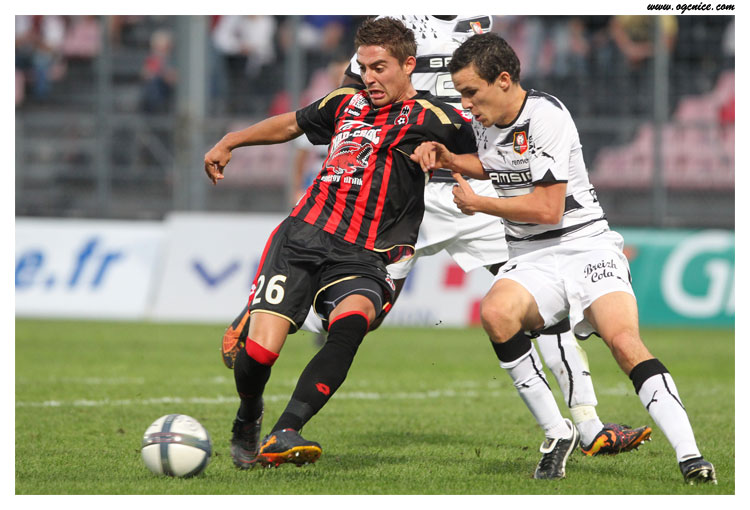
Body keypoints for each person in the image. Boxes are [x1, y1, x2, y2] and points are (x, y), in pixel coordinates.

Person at [222, 14, 652, 460]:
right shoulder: (393, 22)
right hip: (405, 192)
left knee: (540, 292)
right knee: (363, 313)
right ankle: (265, 311)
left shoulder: (483, 21)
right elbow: (351, 91)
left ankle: (587, 426)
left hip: (467, 185)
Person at [410, 32, 717, 484]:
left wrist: (480, 204)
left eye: (471, 92)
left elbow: (547, 208)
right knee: (496, 313)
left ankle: (691, 457)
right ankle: (559, 432)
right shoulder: (487, 120)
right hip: (530, 255)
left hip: (584, 245)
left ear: (503, 80)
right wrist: (451, 160)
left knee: (624, 343)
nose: (466, 104)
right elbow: (498, 165)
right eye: (462, 95)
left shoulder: (546, 116)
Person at [205, 17, 476, 469]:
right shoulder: (344, 102)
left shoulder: (435, 116)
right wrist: (232, 141)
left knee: (351, 323)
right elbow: (291, 125)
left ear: (409, 65)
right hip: (302, 236)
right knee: (259, 353)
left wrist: (447, 156)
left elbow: (486, 152)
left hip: (368, 253)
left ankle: (285, 430)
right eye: (364, 68)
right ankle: (249, 414)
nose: (370, 78)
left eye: (380, 68)